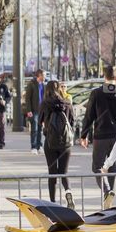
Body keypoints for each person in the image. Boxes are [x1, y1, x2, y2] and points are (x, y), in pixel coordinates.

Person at [80, 65, 116, 209]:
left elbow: (89, 115)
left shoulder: (96, 93)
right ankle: (110, 196)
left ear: (104, 77)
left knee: (97, 166)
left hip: (100, 136)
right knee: (113, 169)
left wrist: (84, 135)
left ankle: (107, 192)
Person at [39, 80, 75, 208]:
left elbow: (40, 121)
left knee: (52, 173)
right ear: (60, 89)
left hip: (50, 142)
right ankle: (68, 192)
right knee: (63, 172)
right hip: (65, 144)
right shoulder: (67, 103)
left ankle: (53, 202)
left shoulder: (45, 103)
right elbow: (72, 121)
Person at [24, 69, 46, 155]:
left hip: (41, 111)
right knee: (34, 129)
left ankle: (39, 146)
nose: (44, 77)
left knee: (40, 129)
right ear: (39, 75)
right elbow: (27, 99)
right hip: (34, 111)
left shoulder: (43, 85)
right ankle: (33, 147)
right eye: (43, 75)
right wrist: (29, 110)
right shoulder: (31, 84)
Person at [0, 74, 12, 149]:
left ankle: (2, 142)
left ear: (0, 79)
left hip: (1, 110)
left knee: (2, 127)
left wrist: (5, 101)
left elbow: (9, 97)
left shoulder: (4, 87)